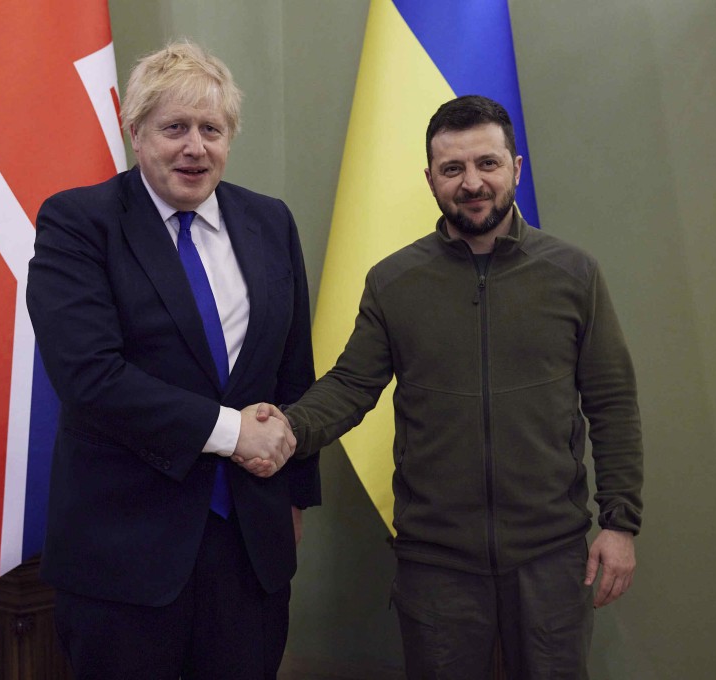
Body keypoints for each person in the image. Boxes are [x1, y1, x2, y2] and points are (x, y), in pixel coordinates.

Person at [251, 95, 643, 678]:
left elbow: (612, 405)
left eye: (487, 163)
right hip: (435, 565)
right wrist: (287, 427)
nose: (472, 183)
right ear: (430, 179)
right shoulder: (394, 281)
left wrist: (619, 523)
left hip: (550, 559)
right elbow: (351, 386)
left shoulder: (574, 275)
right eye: (452, 169)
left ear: (516, 167)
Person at [26, 41, 320, 680]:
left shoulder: (270, 222)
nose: (195, 147)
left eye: (211, 129)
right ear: (136, 133)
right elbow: (89, 378)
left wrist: (295, 494)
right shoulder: (80, 223)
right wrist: (234, 430)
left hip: (250, 548)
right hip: (124, 552)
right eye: (174, 128)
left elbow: (294, 368)